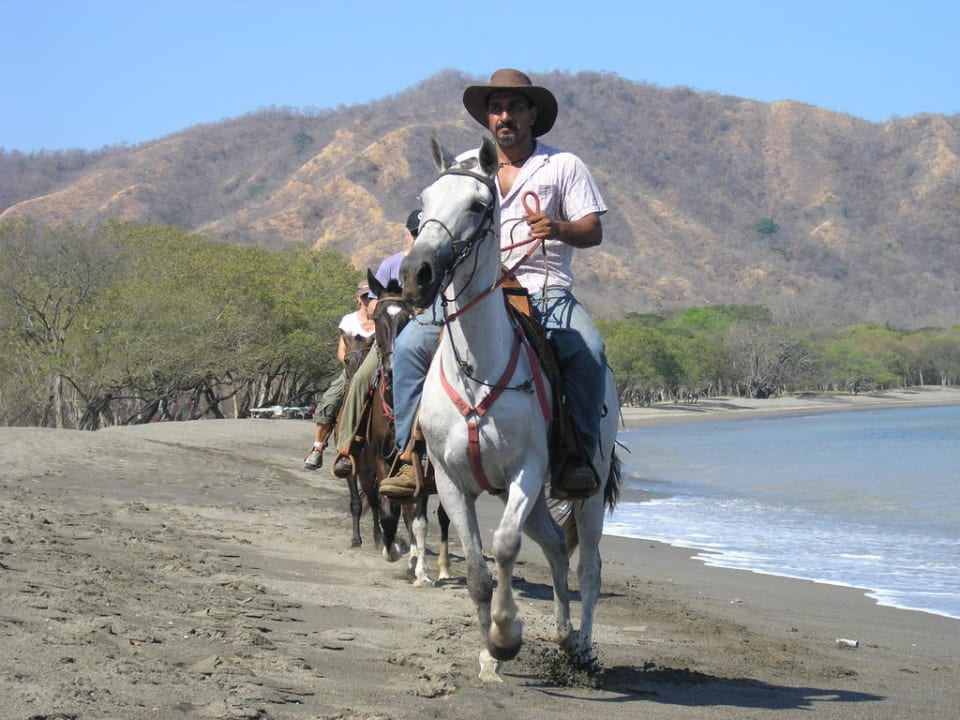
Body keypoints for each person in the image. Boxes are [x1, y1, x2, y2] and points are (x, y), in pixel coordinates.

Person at [379, 68, 608, 499]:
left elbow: (593, 229)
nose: (505, 116)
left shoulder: (562, 165)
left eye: (515, 107)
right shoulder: (466, 166)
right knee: (408, 349)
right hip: (470, 293)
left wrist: (557, 227)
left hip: (543, 287)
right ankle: (410, 456)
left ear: (532, 113)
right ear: (487, 118)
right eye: (497, 108)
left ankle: (577, 456)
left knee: (589, 351)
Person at [330, 209, 421, 478]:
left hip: (423, 338)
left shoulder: (433, 264)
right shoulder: (390, 265)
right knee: (359, 381)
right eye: (415, 233)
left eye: (423, 233)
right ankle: (346, 446)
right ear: (407, 235)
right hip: (389, 340)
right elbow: (372, 307)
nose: (418, 238)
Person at [303, 280, 375, 470]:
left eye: (371, 296)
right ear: (357, 298)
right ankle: (317, 448)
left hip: (377, 371)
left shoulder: (381, 318)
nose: (368, 300)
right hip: (351, 371)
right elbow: (341, 352)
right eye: (364, 297)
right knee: (329, 400)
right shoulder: (349, 320)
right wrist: (351, 367)